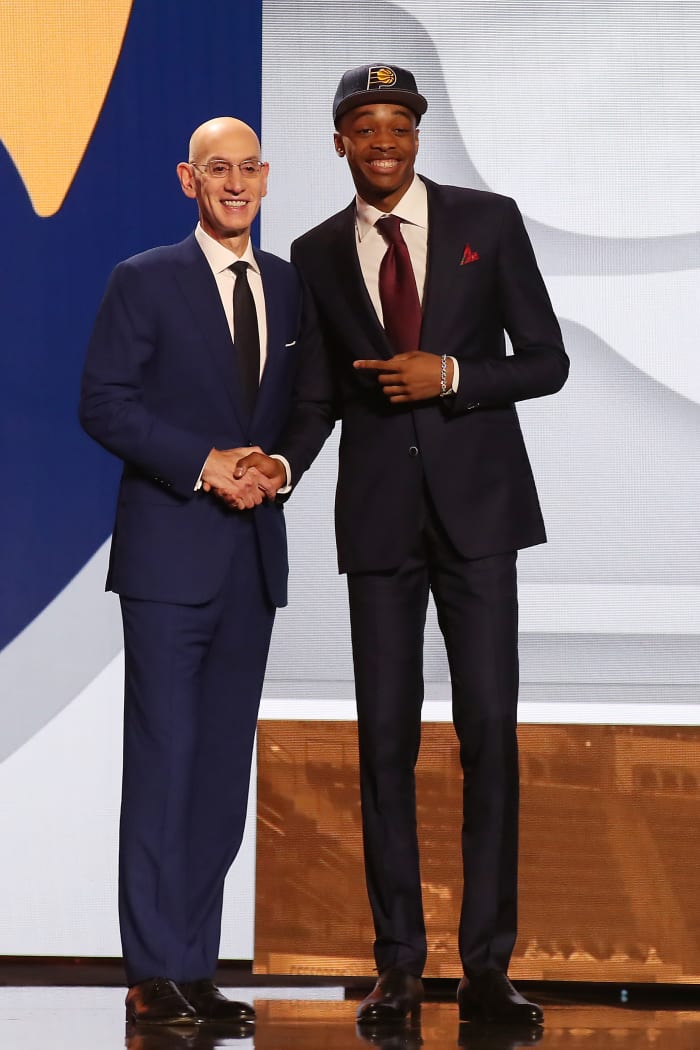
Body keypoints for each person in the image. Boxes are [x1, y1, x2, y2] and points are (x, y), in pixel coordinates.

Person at [244, 63, 569, 1027]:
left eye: (399, 126)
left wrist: (453, 373)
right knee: (383, 741)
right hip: (380, 523)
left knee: (489, 738)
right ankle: (396, 967)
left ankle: (486, 968)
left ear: (418, 138)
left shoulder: (488, 221)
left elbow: (546, 360)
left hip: (481, 519)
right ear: (339, 141)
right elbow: (318, 401)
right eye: (364, 127)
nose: (383, 141)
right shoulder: (312, 253)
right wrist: (279, 467)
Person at [79, 117, 315, 1027]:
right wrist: (204, 462)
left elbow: (311, 403)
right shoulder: (142, 281)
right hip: (169, 557)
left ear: (265, 177)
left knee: (219, 774)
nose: (235, 183)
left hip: (252, 559)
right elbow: (103, 402)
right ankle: (152, 970)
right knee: (164, 763)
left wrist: (279, 468)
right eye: (217, 169)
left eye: (248, 168)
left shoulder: (290, 287)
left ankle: (195, 966)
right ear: (189, 180)